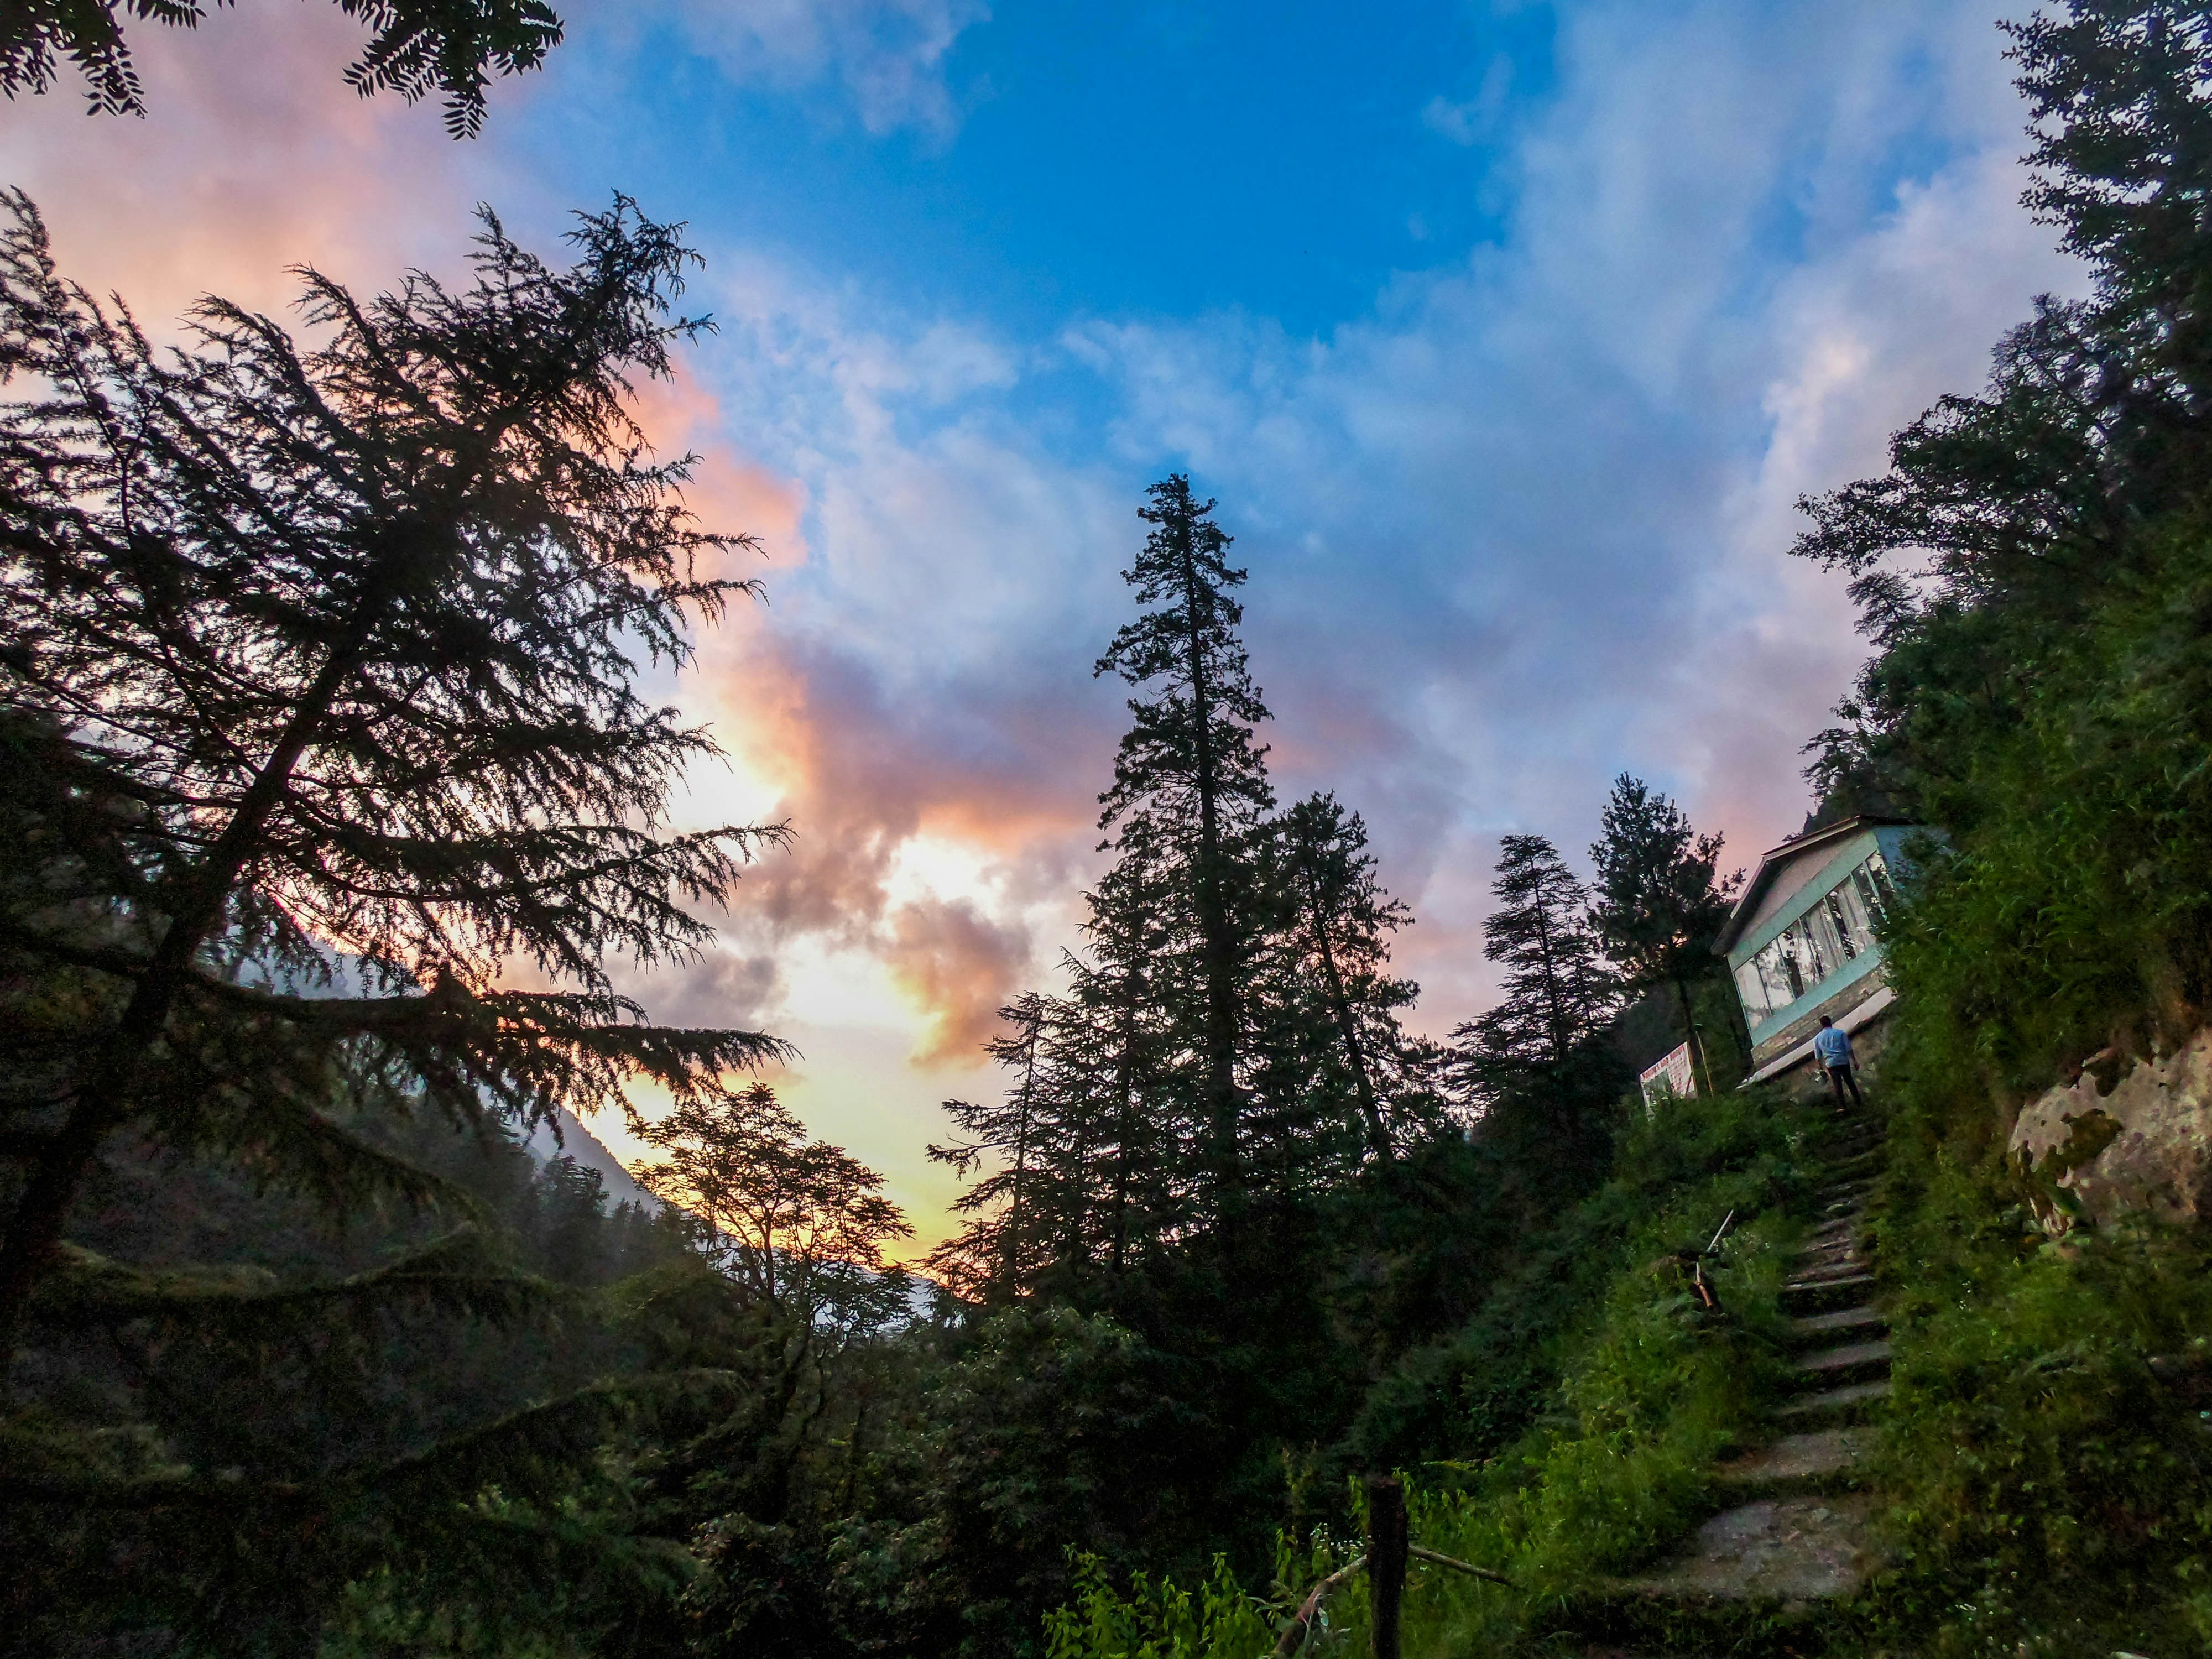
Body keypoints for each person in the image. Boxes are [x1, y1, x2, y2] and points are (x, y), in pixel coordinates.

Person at [1813, 1015, 1863, 1110]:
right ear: (1831, 1023)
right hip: (1843, 1061)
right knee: (1850, 1082)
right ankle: (1858, 1102)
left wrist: (1821, 1069)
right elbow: (1849, 1049)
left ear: (1821, 1025)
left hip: (1831, 1064)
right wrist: (1854, 1061)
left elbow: (1818, 1057)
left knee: (1837, 1085)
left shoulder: (1818, 1039)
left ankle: (1843, 1106)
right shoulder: (1841, 1033)